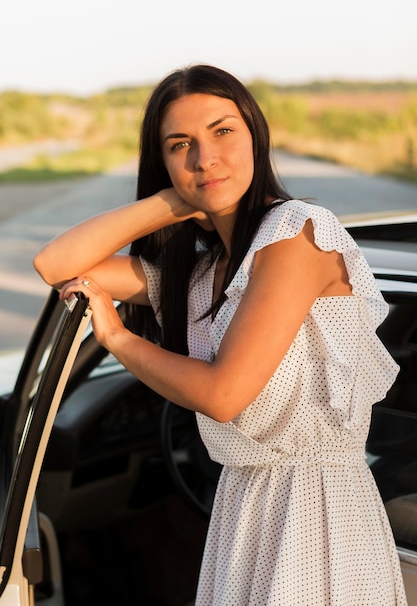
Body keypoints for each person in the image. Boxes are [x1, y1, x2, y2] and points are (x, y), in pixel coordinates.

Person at [34, 64, 407, 605]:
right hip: (244, 506)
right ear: (161, 162)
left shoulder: (295, 233)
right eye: (179, 144)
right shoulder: (203, 273)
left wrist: (116, 337)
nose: (204, 157)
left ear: (254, 134)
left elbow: (223, 394)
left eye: (222, 131)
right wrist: (176, 202)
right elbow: (55, 264)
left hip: (319, 514)